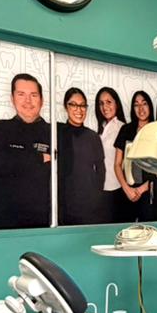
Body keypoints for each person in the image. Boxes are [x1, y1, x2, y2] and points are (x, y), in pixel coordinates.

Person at [0, 73, 51, 228]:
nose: (28, 101)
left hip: (45, 221)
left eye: (33, 95)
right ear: (12, 98)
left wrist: (16, 158)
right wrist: (39, 158)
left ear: (42, 100)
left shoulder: (54, 133)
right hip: (5, 220)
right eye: (21, 94)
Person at [57, 87, 109, 225]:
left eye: (82, 105)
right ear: (66, 107)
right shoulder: (57, 132)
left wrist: (97, 195)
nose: (79, 110)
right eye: (73, 105)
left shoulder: (93, 137)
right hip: (64, 205)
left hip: (89, 205)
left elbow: (101, 170)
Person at [113, 89, 154, 220]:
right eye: (136, 105)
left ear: (150, 106)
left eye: (144, 103)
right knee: (126, 229)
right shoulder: (126, 129)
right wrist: (127, 189)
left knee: (148, 229)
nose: (141, 108)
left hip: (150, 191)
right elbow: (117, 164)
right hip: (127, 191)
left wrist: (141, 189)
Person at [95, 86, 126, 223]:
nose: (105, 107)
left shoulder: (122, 128)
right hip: (100, 190)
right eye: (101, 103)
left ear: (116, 104)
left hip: (117, 189)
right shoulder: (99, 129)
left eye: (109, 102)